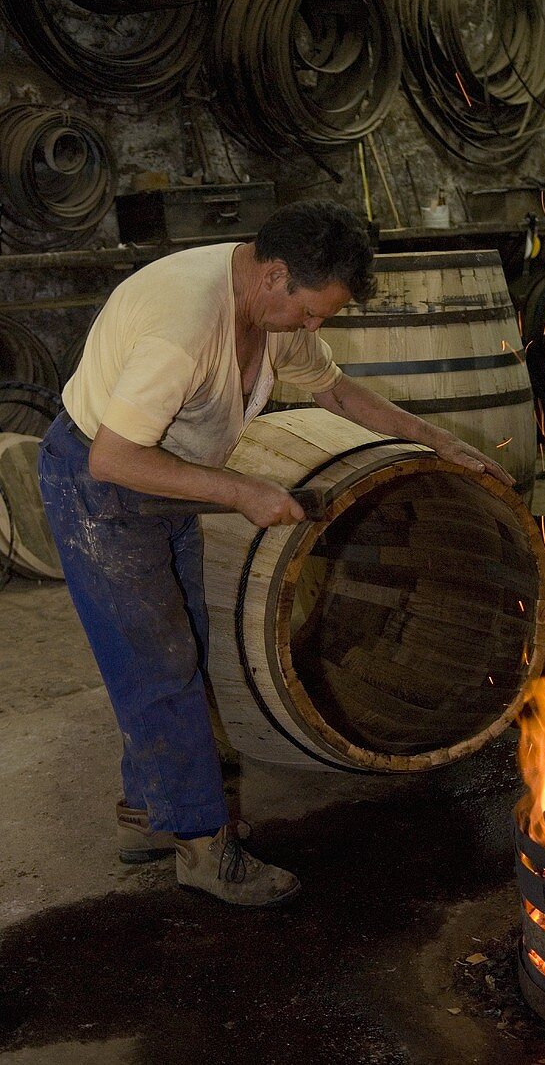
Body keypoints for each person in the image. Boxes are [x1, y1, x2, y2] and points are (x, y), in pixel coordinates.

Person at [38, 199, 513, 908]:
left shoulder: (270, 306)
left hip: (166, 475)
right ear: (273, 276)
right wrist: (238, 491)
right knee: (159, 665)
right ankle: (203, 848)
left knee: (184, 645)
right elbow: (113, 459)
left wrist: (434, 440)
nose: (313, 330)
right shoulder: (183, 329)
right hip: (101, 489)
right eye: (310, 314)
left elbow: (338, 393)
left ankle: (149, 811)